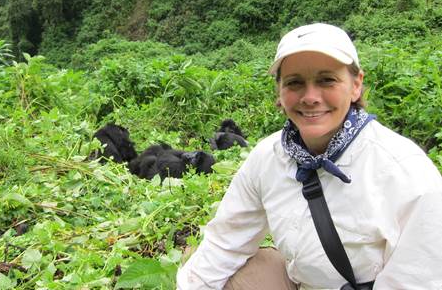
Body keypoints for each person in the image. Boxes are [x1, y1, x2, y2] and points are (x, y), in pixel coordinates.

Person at [176, 23, 442, 290]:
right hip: (302, 282)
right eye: (295, 83)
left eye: (327, 80)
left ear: (355, 85)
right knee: (223, 270)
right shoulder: (267, 157)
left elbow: (417, 280)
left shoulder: (406, 171)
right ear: (279, 93)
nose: (310, 97)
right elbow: (224, 243)